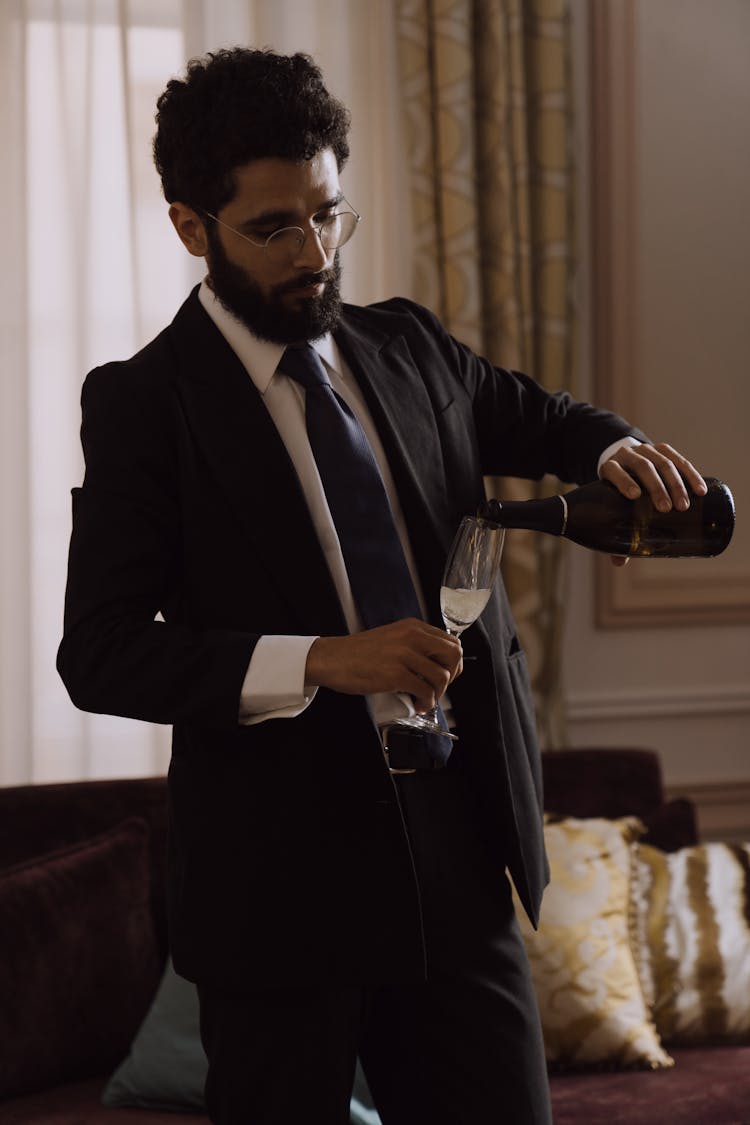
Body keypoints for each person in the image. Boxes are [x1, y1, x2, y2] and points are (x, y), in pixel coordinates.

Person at [57, 47, 706, 1125]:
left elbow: (544, 420)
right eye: (274, 227)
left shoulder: (407, 346)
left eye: (328, 214)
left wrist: (617, 451)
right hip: (277, 903)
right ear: (190, 228)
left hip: (461, 864)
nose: (314, 253)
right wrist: (319, 661)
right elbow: (102, 649)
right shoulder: (142, 406)